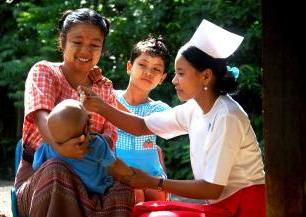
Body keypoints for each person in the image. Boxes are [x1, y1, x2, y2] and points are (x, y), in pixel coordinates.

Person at [80, 19, 265, 217]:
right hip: (220, 206)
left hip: (244, 209)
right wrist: (100, 105)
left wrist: (153, 182)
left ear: (206, 76)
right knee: (144, 210)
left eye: (181, 73)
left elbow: (212, 189)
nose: (175, 81)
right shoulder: (194, 108)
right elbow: (142, 125)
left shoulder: (227, 116)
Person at [15, 8, 134, 217]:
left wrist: (92, 145)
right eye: (77, 42)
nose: (85, 51)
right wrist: (61, 147)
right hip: (41, 179)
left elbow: (110, 136)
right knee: (57, 170)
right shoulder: (45, 71)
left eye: (94, 45)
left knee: (124, 189)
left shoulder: (104, 87)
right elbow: (41, 117)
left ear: (102, 49)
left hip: (92, 180)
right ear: (62, 42)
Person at [91, 34, 171, 203]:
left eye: (156, 69)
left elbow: (139, 126)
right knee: (134, 195)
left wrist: (108, 101)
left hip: (151, 177)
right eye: (142, 64)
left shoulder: (160, 109)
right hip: (117, 174)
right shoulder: (109, 95)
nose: (148, 72)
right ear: (129, 66)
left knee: (155, 195)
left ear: (162, 78)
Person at [32, 99, 135, 194]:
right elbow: (114, 164)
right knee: (123, 189)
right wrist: (131, 174)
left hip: (64, 191)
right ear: (86, 127)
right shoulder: (96, 144)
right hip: (95, 191)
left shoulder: (47, 146)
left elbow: (36, 166)